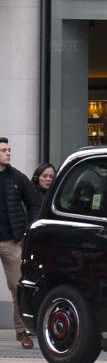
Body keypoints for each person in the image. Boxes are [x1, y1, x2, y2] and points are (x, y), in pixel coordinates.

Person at [0, 138, 42, 348]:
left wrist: (29, 229)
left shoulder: (17, 177)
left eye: (9, 150)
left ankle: (21, 331)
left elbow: (34, 203)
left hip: (12, 240)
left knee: (18, 287)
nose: (8, 153)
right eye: (3, 150)